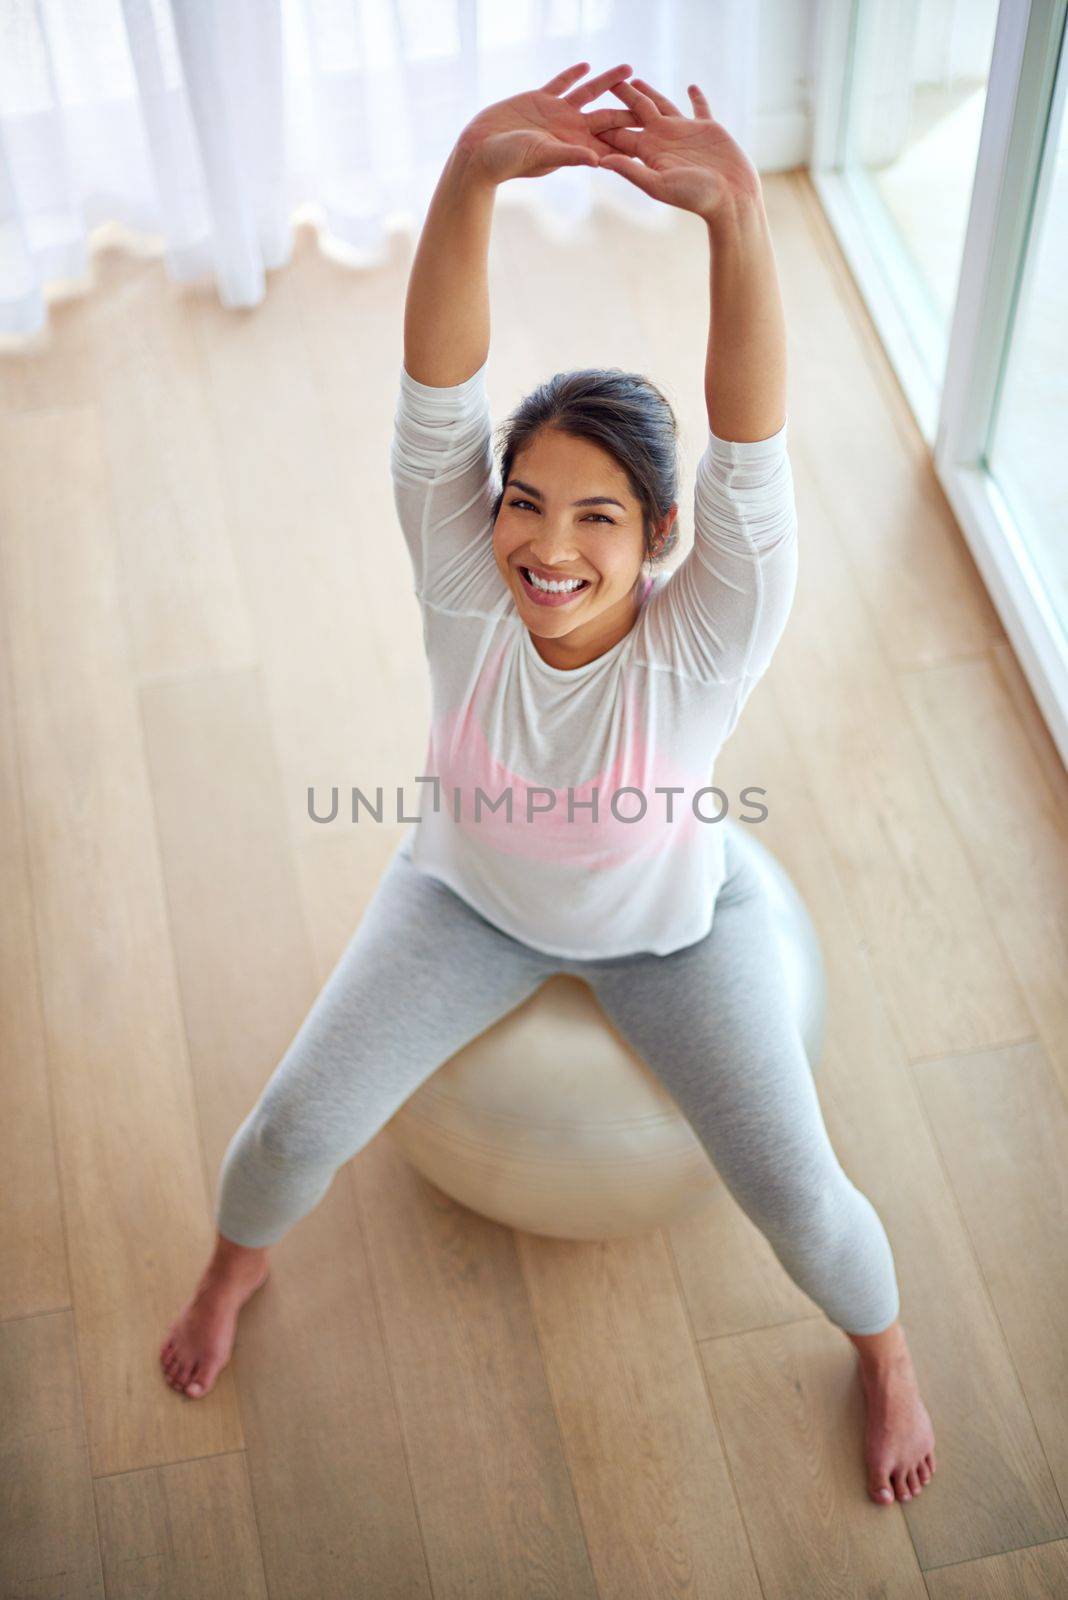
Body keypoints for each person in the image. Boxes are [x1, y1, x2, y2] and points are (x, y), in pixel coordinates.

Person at [160, 60, 935, 1508]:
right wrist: (466, 173)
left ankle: (887, 1353)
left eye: (596, 518)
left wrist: (740, 222)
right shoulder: (464, 584)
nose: (549, 546)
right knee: (288, 1131)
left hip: (680, 939)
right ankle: (231, 1273)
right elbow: (436, 401)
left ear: (659, 537)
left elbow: (754, 452)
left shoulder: (712, 634)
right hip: (462, 900)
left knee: (800, 1202)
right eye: (525, 502)